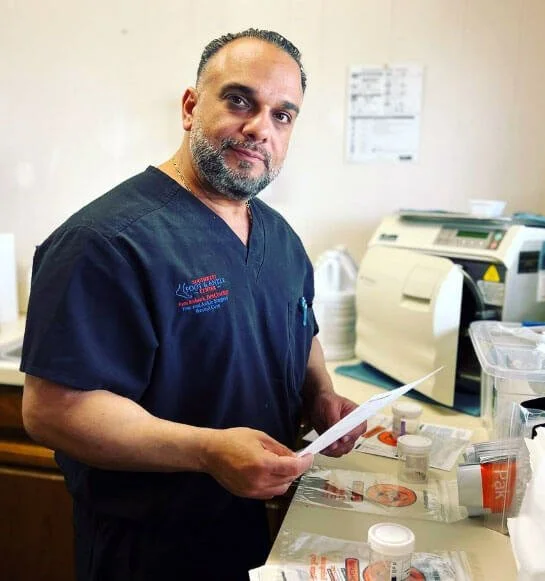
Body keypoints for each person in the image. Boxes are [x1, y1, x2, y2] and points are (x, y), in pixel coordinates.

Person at [21, 28, 366, 581]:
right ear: (189, 106)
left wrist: (321, 395)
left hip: (255, 526)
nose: (260, 129)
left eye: (283, 115)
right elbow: (53, 409)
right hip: (150, 549)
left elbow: (300, 326)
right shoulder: (105, 242)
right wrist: (208, 451)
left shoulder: (278, 237)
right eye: (239, 101)